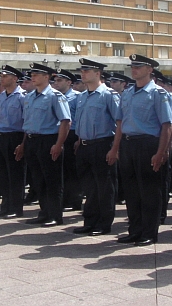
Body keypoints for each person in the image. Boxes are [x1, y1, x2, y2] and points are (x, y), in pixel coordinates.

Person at [116, 55, 172, 246]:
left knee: (149, 191)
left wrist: (161, 152)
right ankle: (135, 230)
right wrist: (117, 147)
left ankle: (149, 232)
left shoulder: (158, 93)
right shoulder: (127, 93)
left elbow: (167, 126)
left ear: (150, 69)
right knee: (131, 191)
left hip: (148, 144)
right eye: (132, 66)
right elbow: (120, 122)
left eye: (139, 67)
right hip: (129, 143)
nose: (134, 70)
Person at [17, 62, 71, 227]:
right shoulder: (30, 96)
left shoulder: (55, 96)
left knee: (52, 180)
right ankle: (44, 212)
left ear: (47, 77)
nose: (32, 77)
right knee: (38, 180)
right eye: (32, 75)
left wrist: (58, 144)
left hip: (48, 140)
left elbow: (65, 121)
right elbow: (28, 123)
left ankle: (55, 215)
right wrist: (23, 144)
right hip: (32, 140)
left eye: (36, 74)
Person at [72, 58, 120, 236]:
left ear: (98, 73)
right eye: (82, 71)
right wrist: (78, 140)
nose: (82, 74)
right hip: (85, 146)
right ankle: (90, 221)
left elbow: (119, 122)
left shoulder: (109, 95)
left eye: (87, 71)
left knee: (105, 187)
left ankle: (104, 223)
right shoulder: (82, 96)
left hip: (103, 144)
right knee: (89, 187)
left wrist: (115, 149)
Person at [0, 65, 27, 219]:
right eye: (1, 76)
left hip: (15, 137)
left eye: (5, 76)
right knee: (1, 174)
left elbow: (27, 122)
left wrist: (23, 144)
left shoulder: (23, 97)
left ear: (15, 79)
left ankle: (16, 207)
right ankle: (5, 205)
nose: (1, 78)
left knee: (15, 174)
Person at [53, 68, 82, 211]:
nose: (56, 83)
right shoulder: (55, 96)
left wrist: (79, 138)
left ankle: (74, 200)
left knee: (72, 170)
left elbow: (81, 119)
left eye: (59, 80)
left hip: (72, 135)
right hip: (58, 134)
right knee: (60, 169)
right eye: (55, 80)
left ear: (69, 82)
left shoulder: (77, 97)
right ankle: (63, 200)